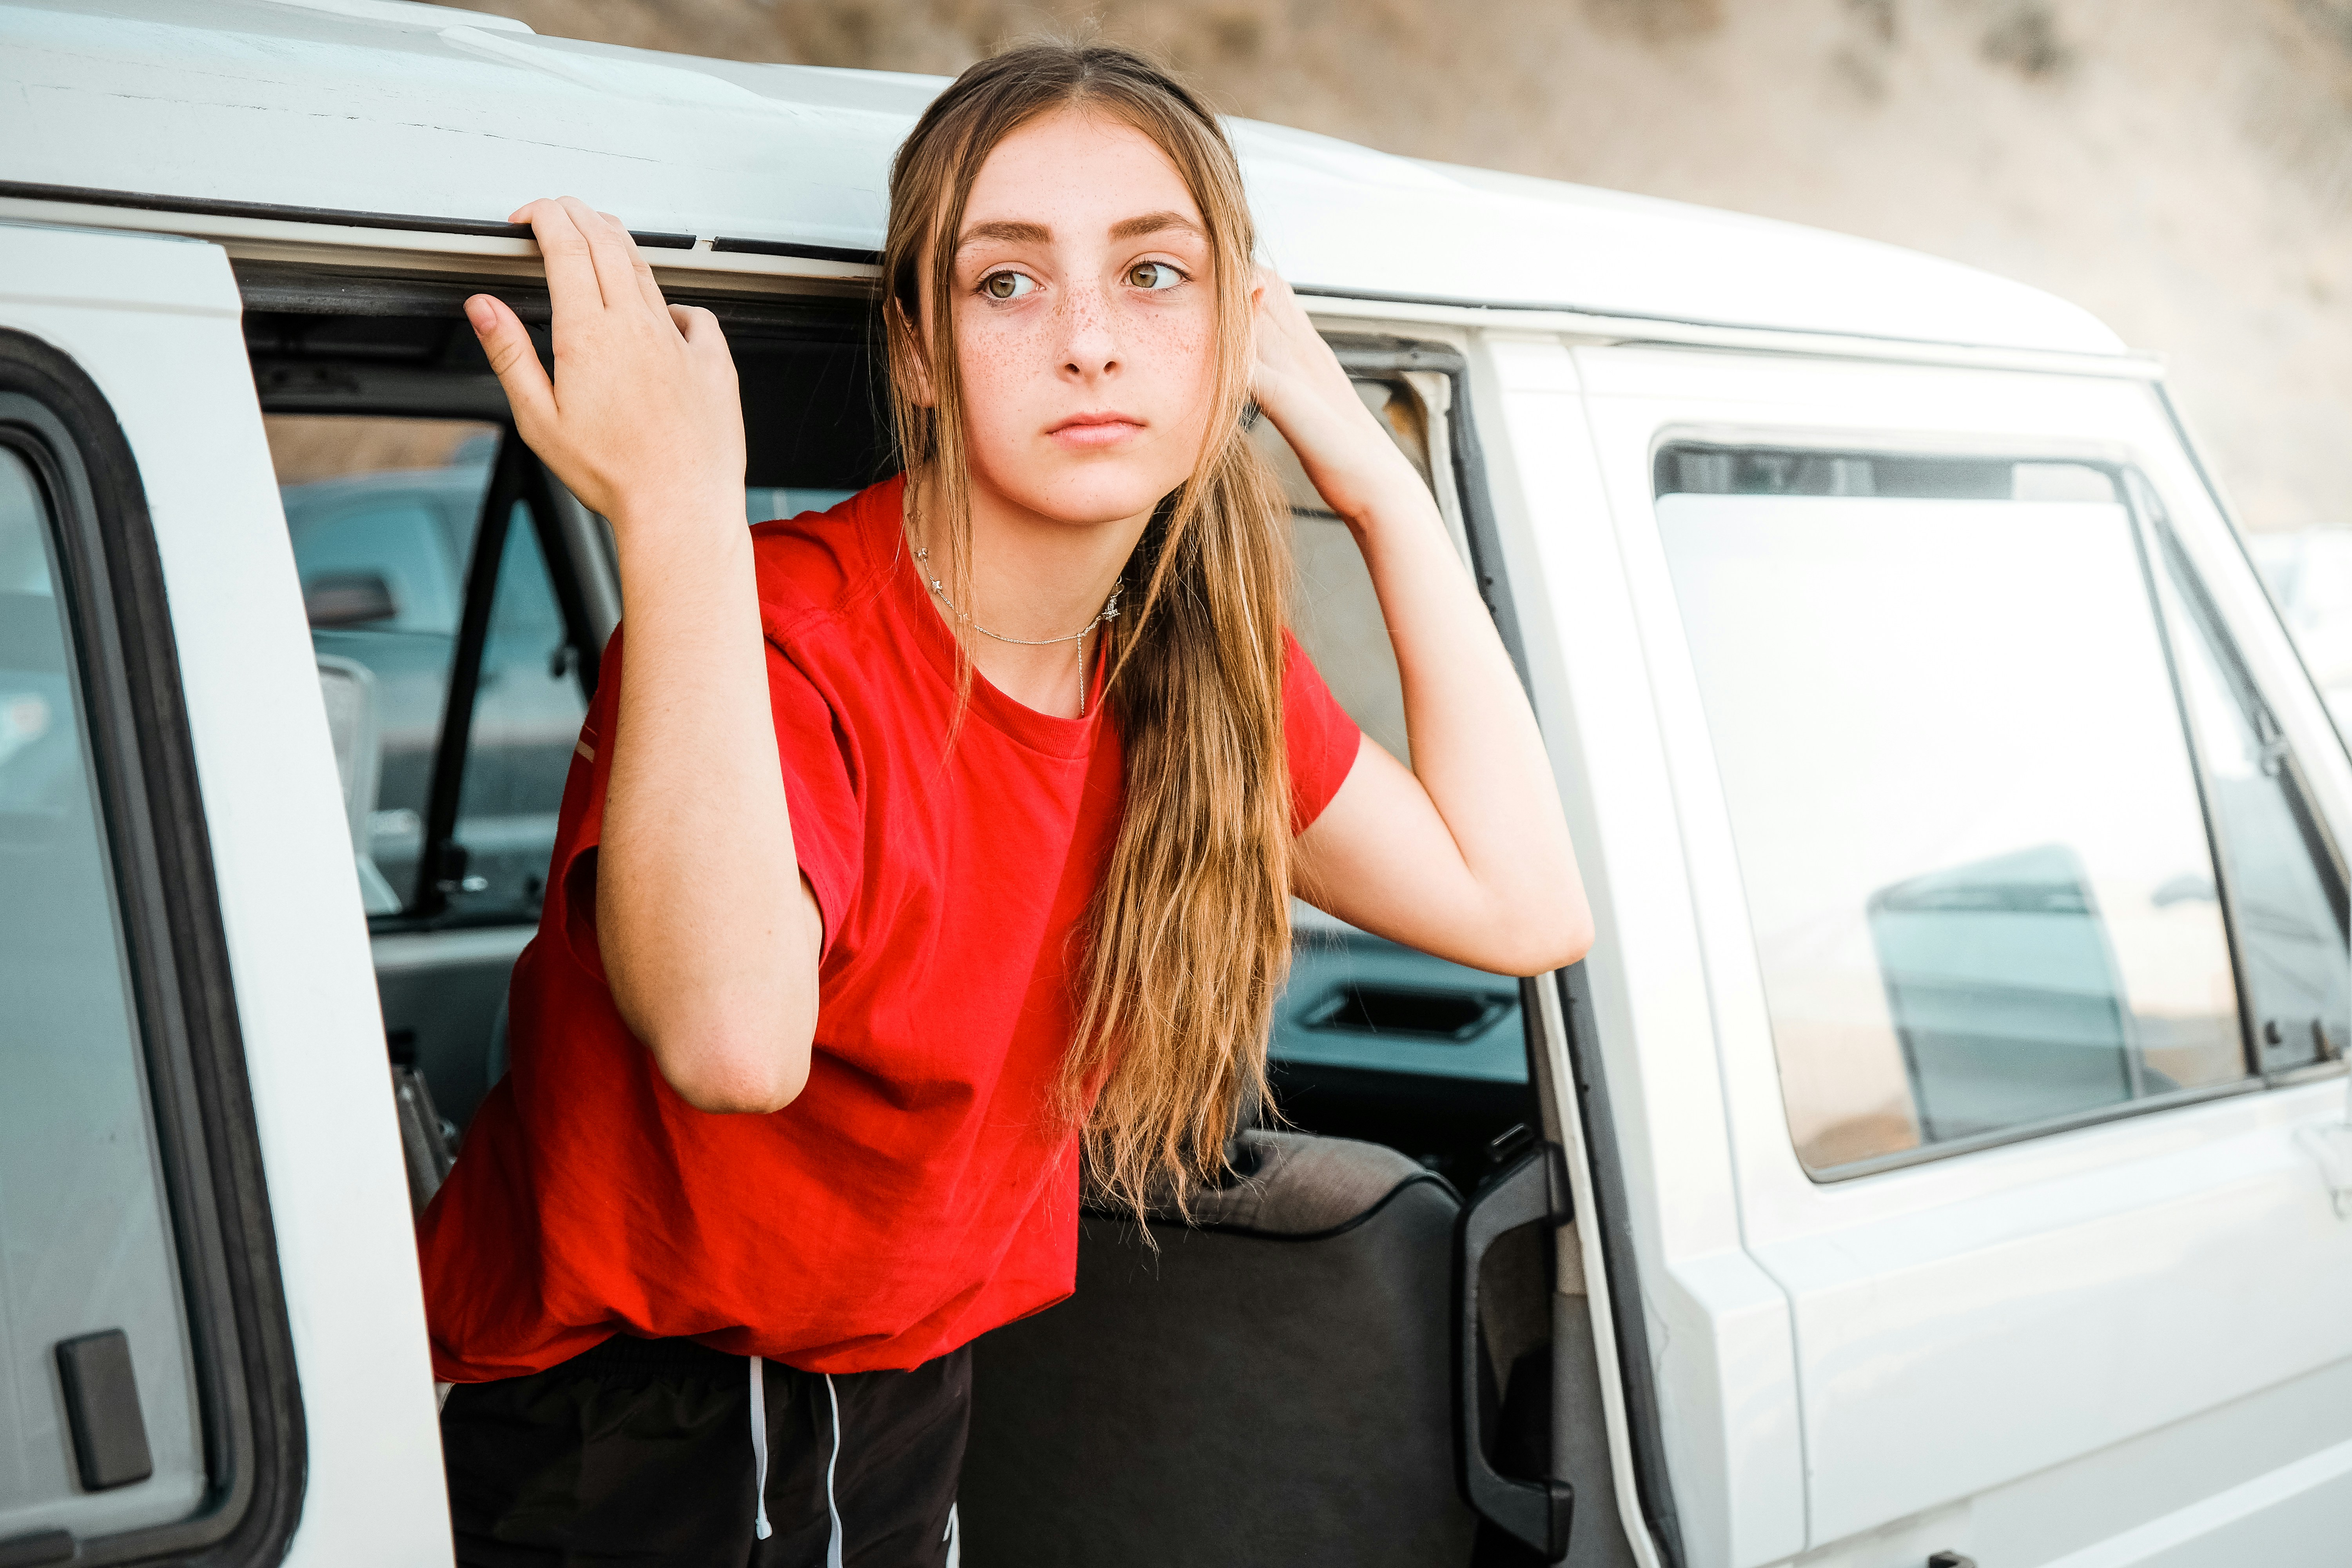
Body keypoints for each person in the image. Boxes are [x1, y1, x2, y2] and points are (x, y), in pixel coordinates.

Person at [417, 38, 1590, 1568]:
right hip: (627, 1416)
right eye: (1008, 282)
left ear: (1233, 330)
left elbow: (1522, 906)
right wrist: (681, 512)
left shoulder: (1188, 670)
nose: (1091, 341)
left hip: (896, 1388)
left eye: (1156, 277)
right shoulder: (783, 631)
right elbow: (728, 1041)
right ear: (919, 350)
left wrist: (1362, 464)